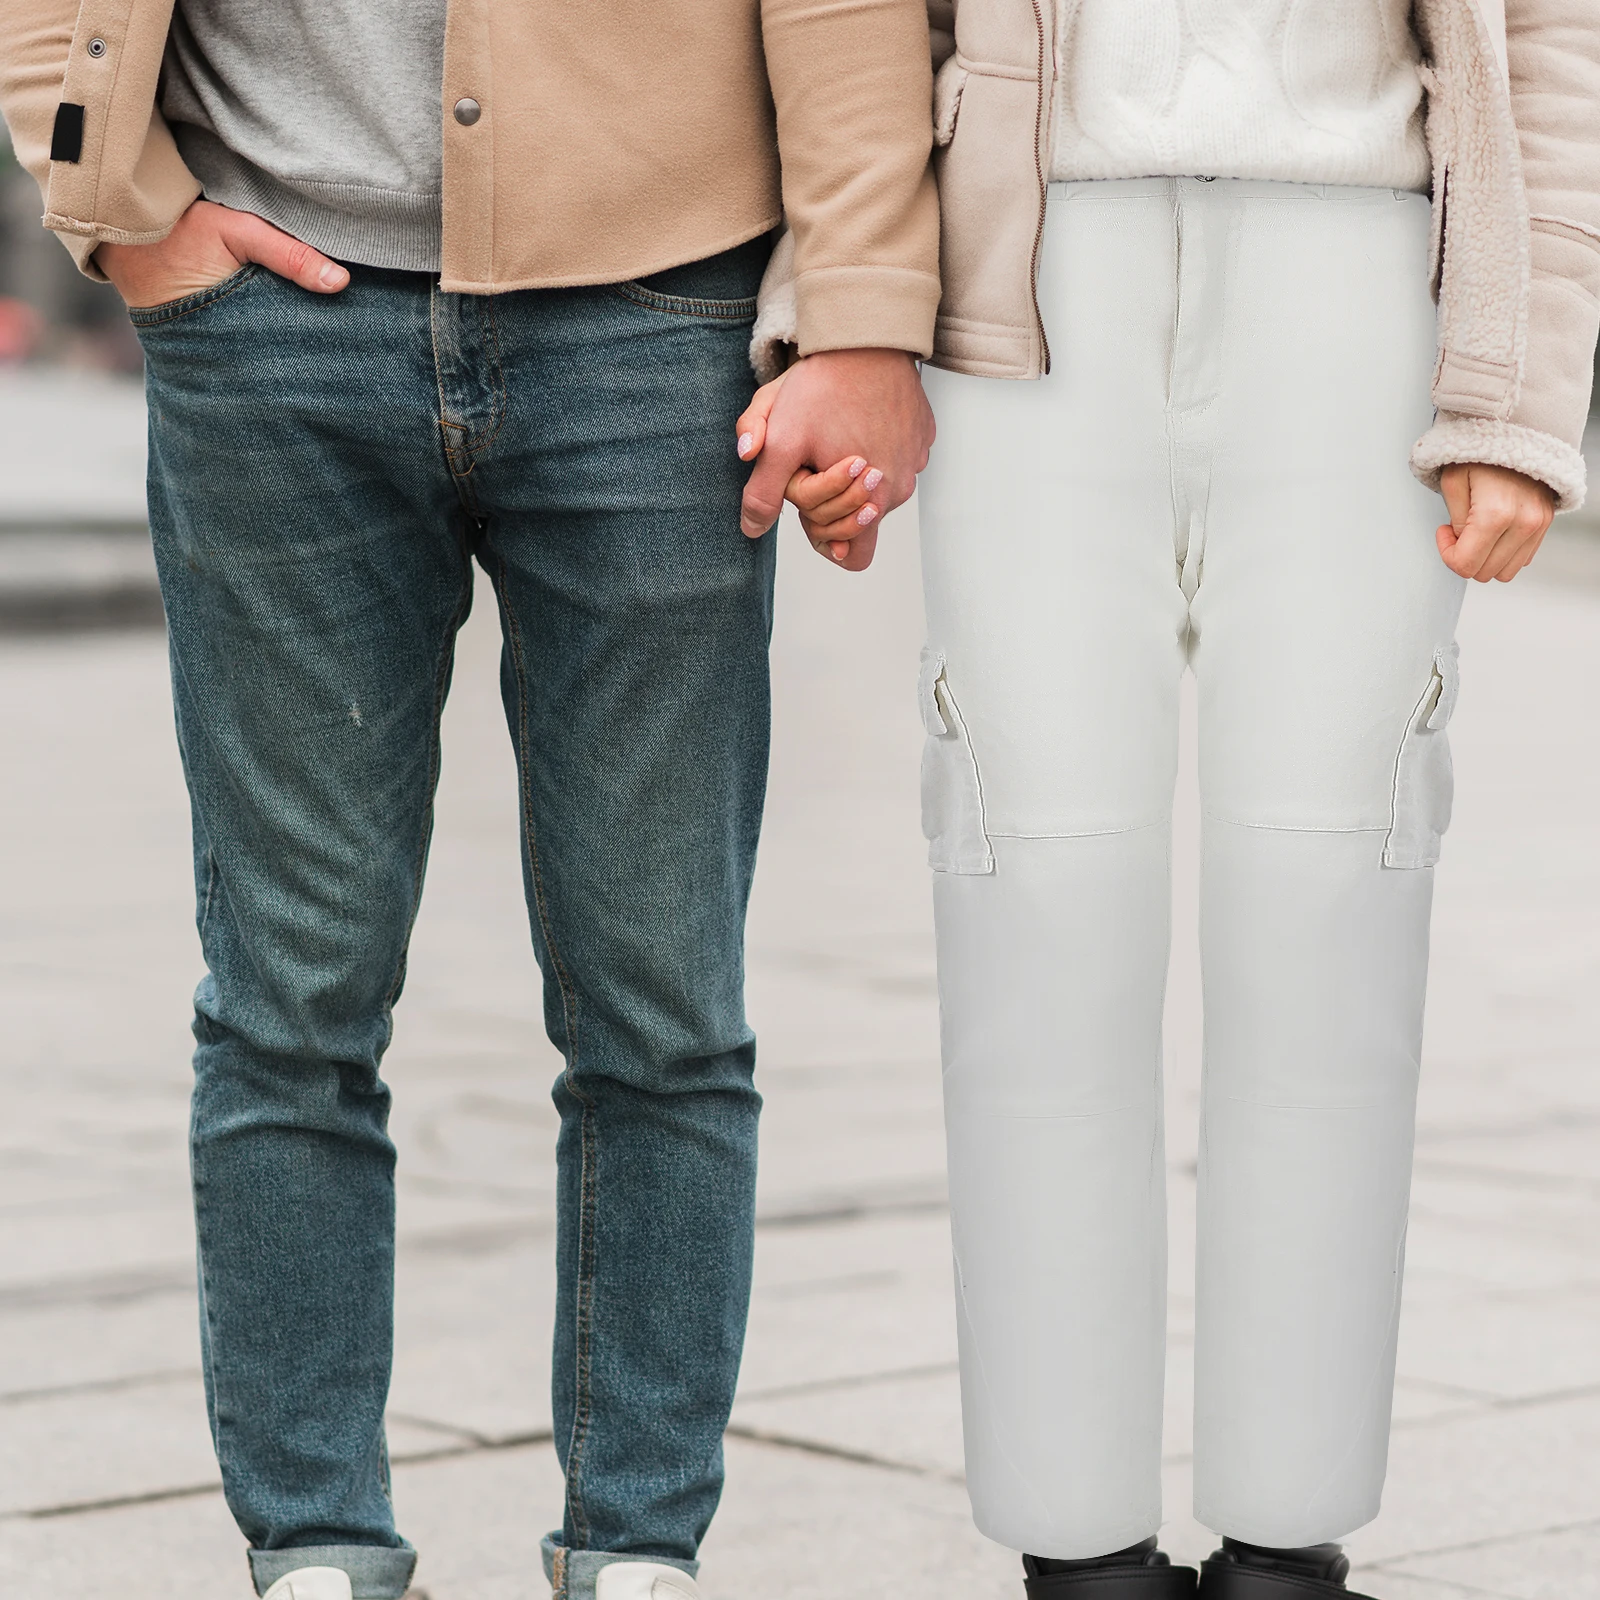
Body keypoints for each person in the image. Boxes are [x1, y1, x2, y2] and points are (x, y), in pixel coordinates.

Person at [0, 4, 939, 1599]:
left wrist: (862, 309)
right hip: (269, 317)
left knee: (662, 997)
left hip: (660, 314)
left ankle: (639, 1551)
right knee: (292, 990)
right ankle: (316, 1548)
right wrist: (122, 204)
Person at [749, 1, 1600, 1598]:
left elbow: (1551, 30)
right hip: (1025, 259)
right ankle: (1075, 1552)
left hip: (1369, 257)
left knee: (1330, 909)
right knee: (1038, 909)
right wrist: (834, 311)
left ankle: (1292, 1545)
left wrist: (1525, 389)